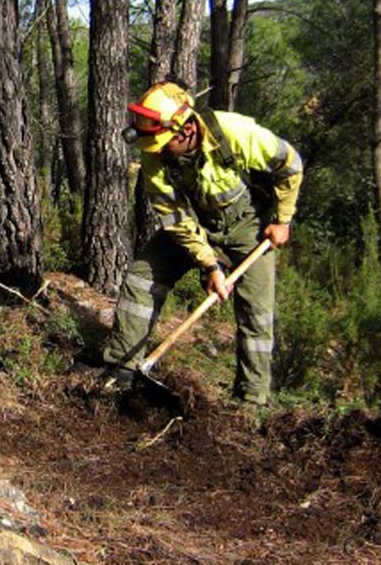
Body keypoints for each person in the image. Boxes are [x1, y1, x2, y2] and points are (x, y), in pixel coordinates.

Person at [103, 81, 303, 406]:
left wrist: (282, 220)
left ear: (186, 131)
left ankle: (250, 402)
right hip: (194, 222)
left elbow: (290, 165)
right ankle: (120, 370)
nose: (158, 150)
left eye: (165, 143)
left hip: (249, 225)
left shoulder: (236, 133)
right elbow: (175, 217)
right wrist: (209, 264)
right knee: (142, 276)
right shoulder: (156, 155)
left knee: (256, 313)